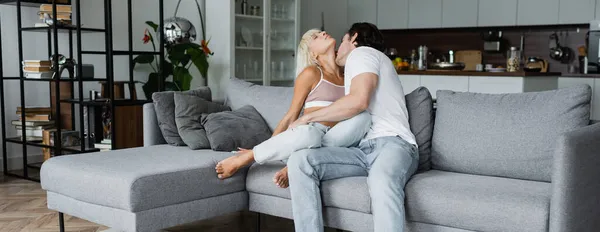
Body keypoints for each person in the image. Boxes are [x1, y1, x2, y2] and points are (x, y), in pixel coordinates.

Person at [286, 22, 419, 232]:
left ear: (354, 39)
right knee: (301, 161)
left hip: (394, 144)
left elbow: (358, 101)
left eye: (342, 40)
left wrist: (305, 120)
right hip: (360, 150)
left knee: (381, 180)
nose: (339, 46)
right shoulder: (353, 68)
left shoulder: (363, 54)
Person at [215, 29, 371, 188]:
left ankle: (294, 164)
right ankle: (249, 158)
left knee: (365, 117)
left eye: (321, 32)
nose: (323, 33)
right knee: (310, 135)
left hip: (338, 137)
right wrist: (269, 145)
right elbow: (291, 115)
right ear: (313, 54)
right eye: (316, 37)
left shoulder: (350, 74)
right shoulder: (312, 73)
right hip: (309, 134)